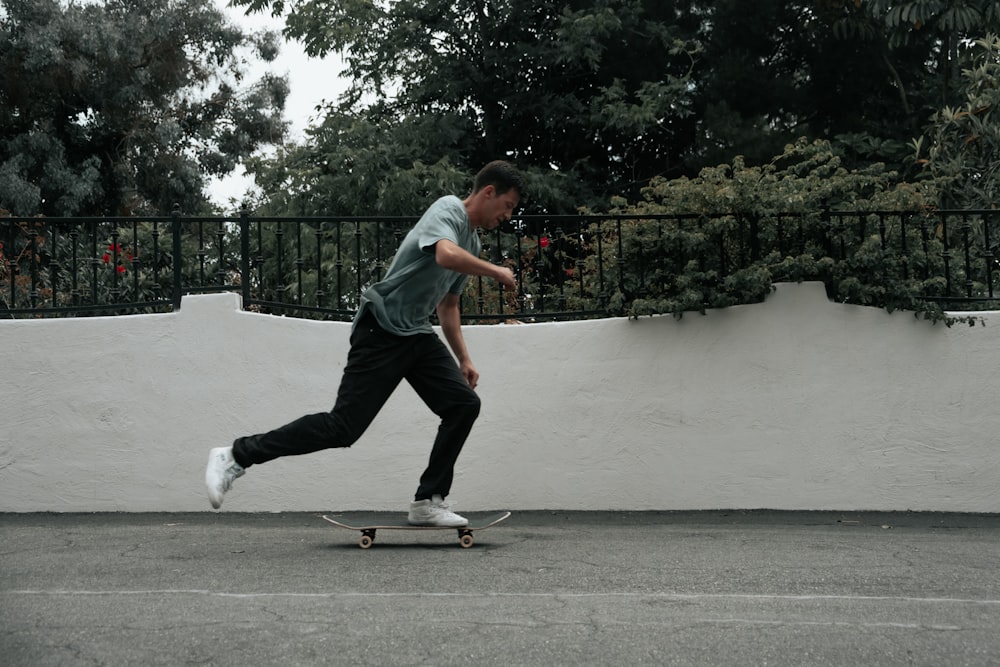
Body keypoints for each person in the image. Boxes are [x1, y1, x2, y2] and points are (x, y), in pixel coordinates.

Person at [205, 160, 524, 526]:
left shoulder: (473, 241)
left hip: (416, 333)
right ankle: (235, 456)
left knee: (463, 405)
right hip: (381, 328)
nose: (508, 215)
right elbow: (443, 254)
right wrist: (496, 270)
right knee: (343, 427)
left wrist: (464, 359)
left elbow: (447, 305)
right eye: (508, 205)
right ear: (488, 192)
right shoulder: (448, 209)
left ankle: (428, 500)